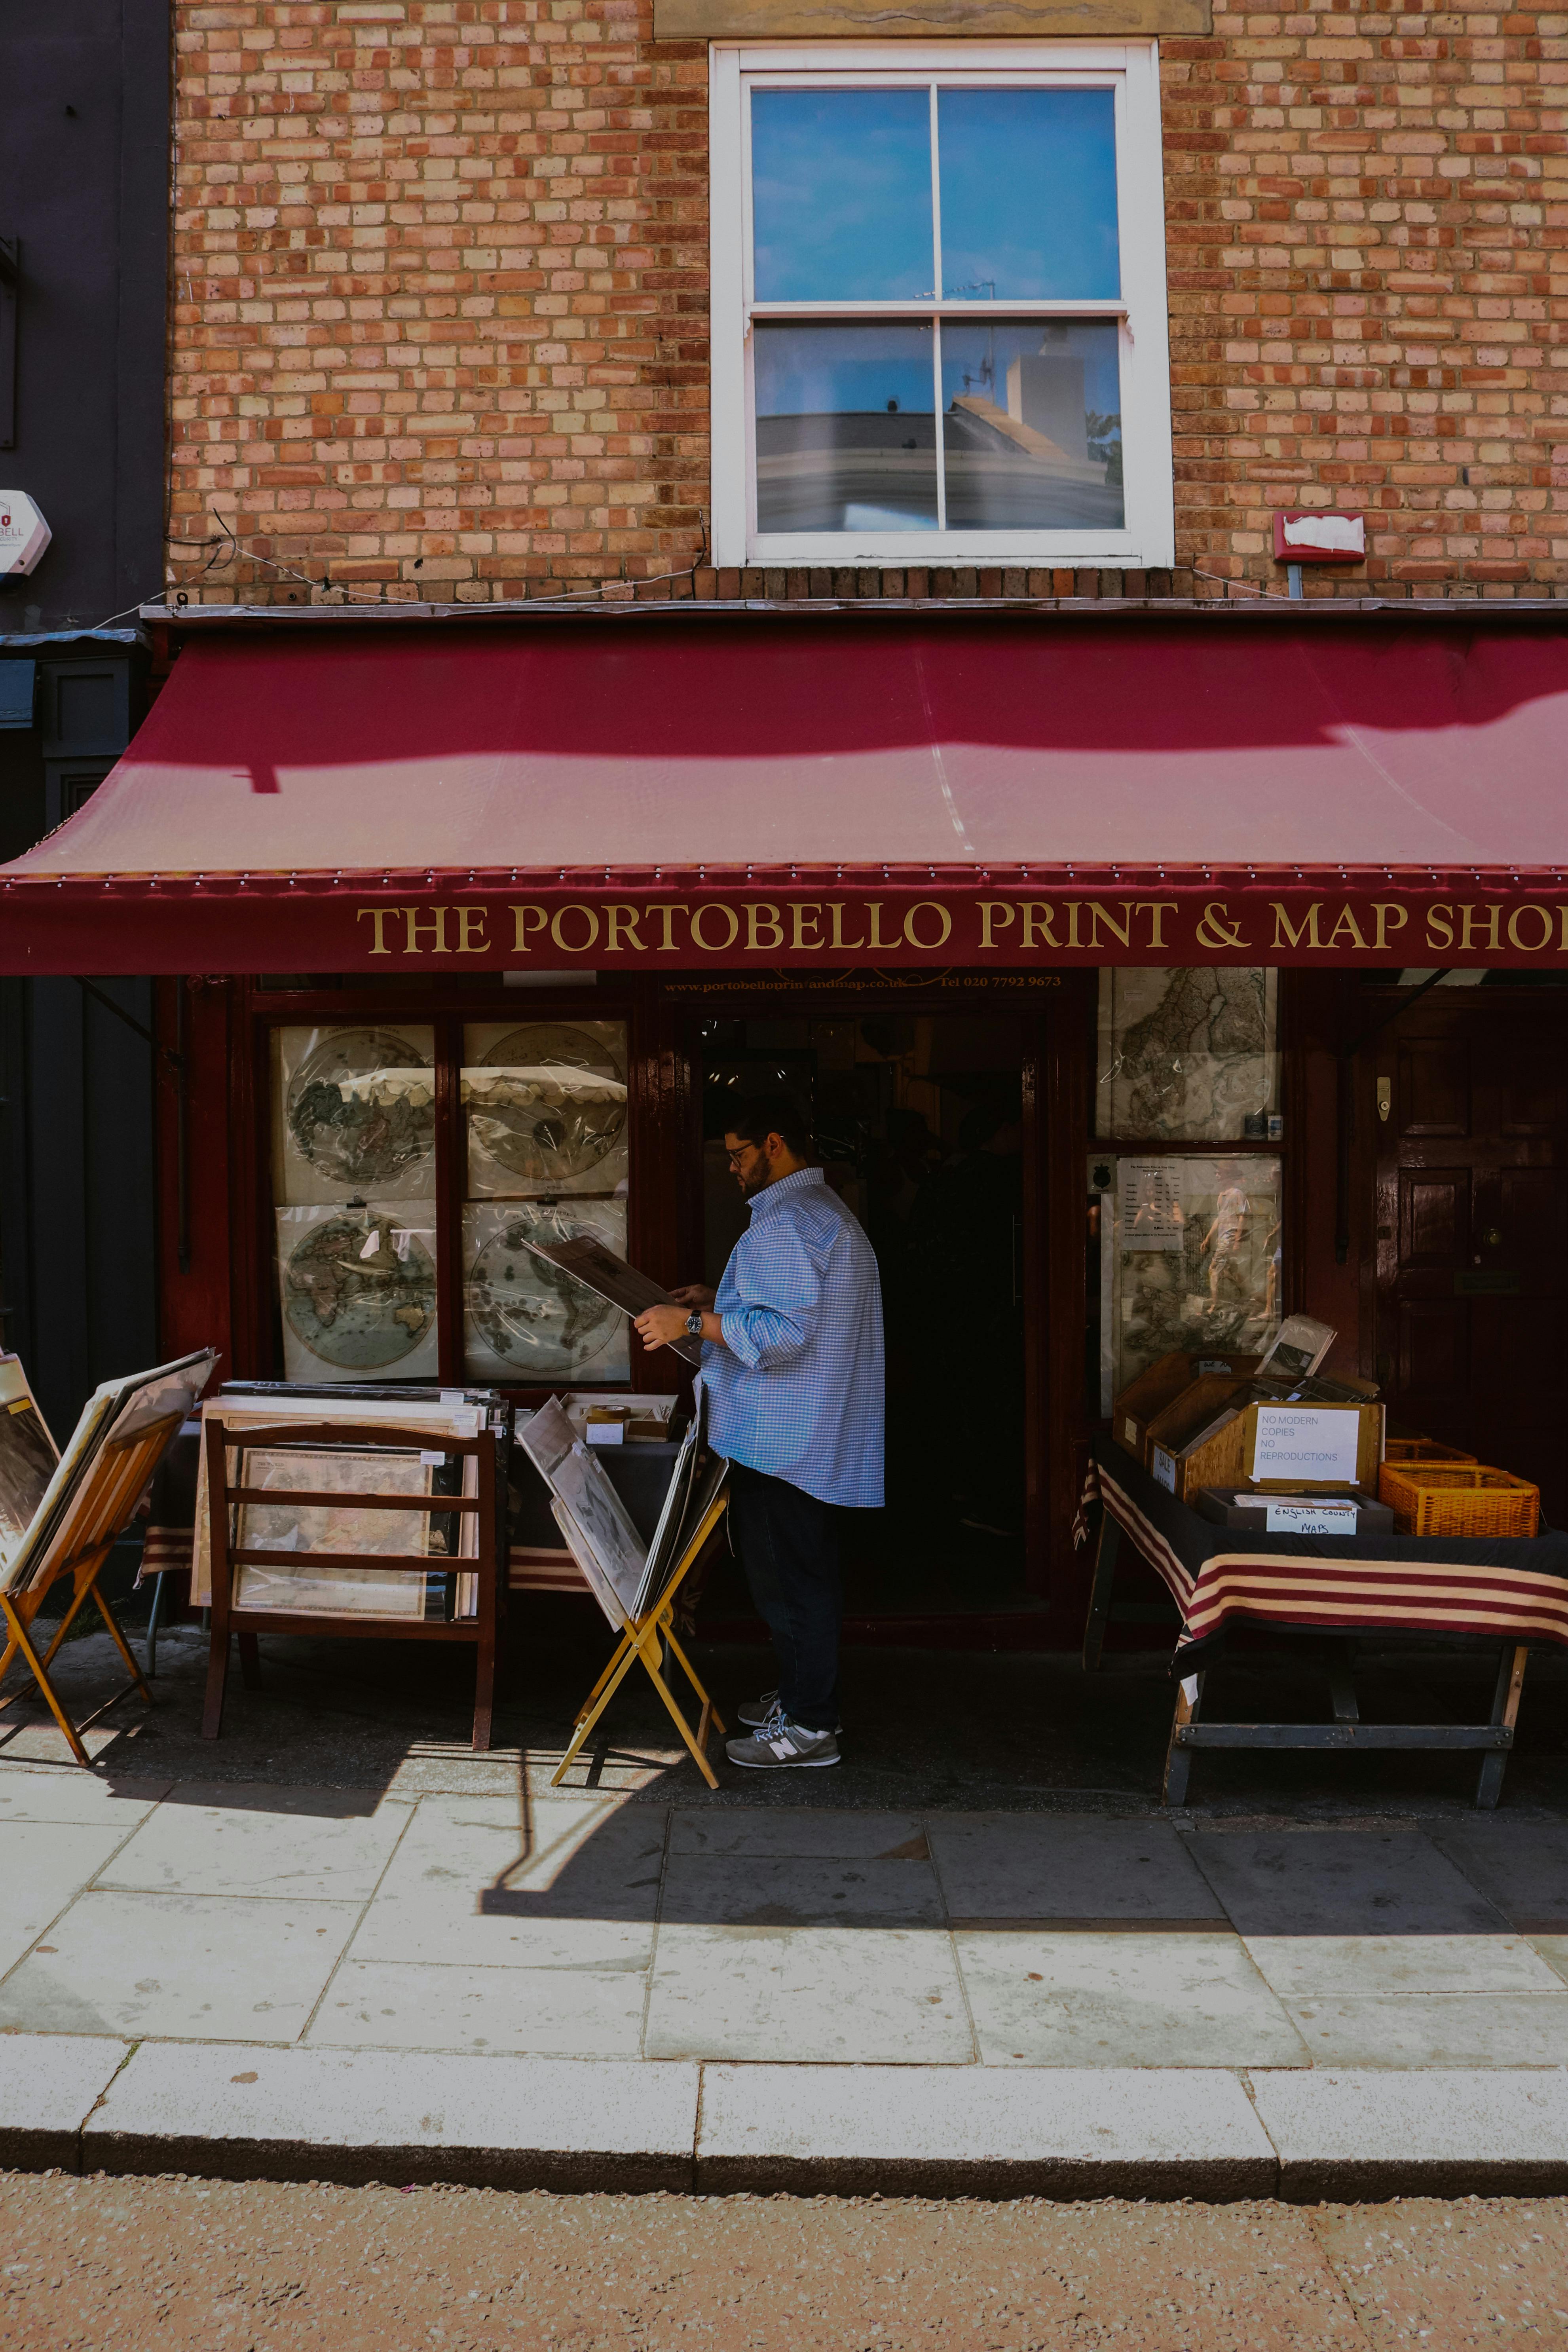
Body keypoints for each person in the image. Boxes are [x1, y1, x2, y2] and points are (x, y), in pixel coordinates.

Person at [633, 1093, 884, 1770]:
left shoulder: (789, 1221)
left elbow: (782, 1335)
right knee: (799, 1572)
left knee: (788, 1580)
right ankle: (804, 1695)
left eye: (738, 1155)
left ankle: (809, 1727)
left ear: (774, 1144)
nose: (732, 1170)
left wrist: (686, 1325)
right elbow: (795, 1310)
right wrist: (717, 1303)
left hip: (783, 1440)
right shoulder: (816, 1212)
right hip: (804, 1431)